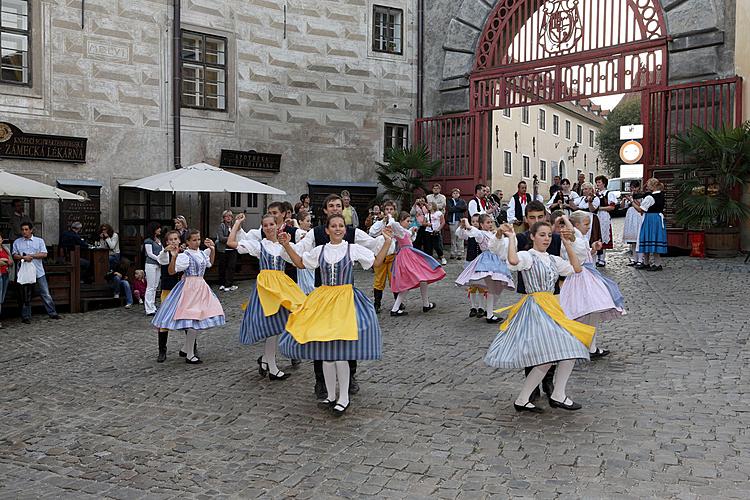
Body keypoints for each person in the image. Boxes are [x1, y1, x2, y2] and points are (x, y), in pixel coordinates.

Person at [278, 214, 391, 417]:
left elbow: (375, 263)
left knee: (340, 355)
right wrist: (287, 246)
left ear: (344, 230)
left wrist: (387, 242)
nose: (338, 229)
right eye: (333, 226)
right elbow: (300, 263)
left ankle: (344, 397)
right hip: (323, 300)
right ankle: (331, 395)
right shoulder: (320, 250)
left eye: (341, 226)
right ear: (327, 230)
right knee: (327, 355)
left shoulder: (351, 248)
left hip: (345, 301)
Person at [485, 221, 594, 413]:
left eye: (549, 235)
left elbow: (576, 268)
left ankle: (542, 396)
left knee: (566, 349)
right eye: (542, 235)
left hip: (552, 306)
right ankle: (543, 396)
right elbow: (512, 260)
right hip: (535, 308)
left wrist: (567, 243)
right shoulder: (528, 256)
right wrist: (511, 238)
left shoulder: (552, 259)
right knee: (553, 354)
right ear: (533, 237)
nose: (546, 238)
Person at [294, 194, 387, 400]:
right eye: (331, 206)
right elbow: (300, 256)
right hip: (322, 291)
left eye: (338, 205)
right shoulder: (315, 234)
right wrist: (286, 245)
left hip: (345, 293)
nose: (335, 208)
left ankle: (350, 378)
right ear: (325, 211)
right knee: (321, 337)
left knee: (347, 336)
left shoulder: (353, 235)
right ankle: (321, 382)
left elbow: (373, 247)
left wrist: (387, 239)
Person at [229, 213, 307, 381]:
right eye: (266, 225)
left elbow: (298, 259)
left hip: (282, 287)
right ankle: (271, 367)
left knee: (281, 325)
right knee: (272, 327)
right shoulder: (260, 245)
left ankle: (266, 360)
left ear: (277, 226)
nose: (269, 227)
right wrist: (237, 223)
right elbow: (231, 243)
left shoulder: (283, 245)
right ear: (262, 228)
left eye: (272, 224)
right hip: (266, 290)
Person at [152, 229, 225, 364]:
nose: (197, 242)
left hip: (201, 287)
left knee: (200, 318)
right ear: (187, 241)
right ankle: (186, 353)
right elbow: (171, 270)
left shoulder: (201, 253)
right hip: (189, 288)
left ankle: (187, 348)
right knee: (192, 318)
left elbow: (209, 263)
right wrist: (173, 257)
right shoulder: (185, 255)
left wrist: (212, 249)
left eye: (198, 239)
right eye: (194, 240)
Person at [559, 212, 626, 358]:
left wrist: (593, 249)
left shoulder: (577, 237)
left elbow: (583, 253)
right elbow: (577, 255)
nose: (589, 227)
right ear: (576, 225)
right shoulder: (573, 237)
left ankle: (589, 346)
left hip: (586, 276)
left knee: (591, 312)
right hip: (581, 278)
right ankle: (585, 346)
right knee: (586, 312)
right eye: (586, 224)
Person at [455, 215, 514, 323]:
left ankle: (489, 311)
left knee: (498, 287)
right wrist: (466, 224)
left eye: (491, 222)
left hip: (497, 262)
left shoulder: (493, 233)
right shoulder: (481, 234)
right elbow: (469, 231)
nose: (490, 224)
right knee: (492, 287)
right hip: (487, 261)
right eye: (487, 222)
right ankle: (489, 314)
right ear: (481, 224)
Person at [388, 212, 446, 316]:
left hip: (410, 256)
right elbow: (395, 226)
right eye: (407, 221)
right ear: (401, 221)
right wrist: (390, 216)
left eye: (410, 221)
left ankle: (426, 304)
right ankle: (395, 308)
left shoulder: (403, 231)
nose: (409, 223)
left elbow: (409, 235)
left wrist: (412, 231)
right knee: (408, 282)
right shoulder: (399, 230)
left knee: (423, 277)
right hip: (407, 257)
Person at [12, 222, 61, 324]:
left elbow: (44, 254)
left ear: (31, 230)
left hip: (38, 271)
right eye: (22, 230)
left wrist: (32, 256)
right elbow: (14, 255)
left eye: (26, 229)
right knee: (26, 295)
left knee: (45, 293)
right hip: (24, 272)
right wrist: (23, 257)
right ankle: (26, 316)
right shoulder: (17, 242)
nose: (24, 232)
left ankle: (52, 313)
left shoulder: (39, 241)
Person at [154, 230, 192, 363]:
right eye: (170, 240)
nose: (173, 242)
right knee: (164, 320)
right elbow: (161, 260)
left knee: (187, 319)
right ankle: (162, 351)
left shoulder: (185, 254)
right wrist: (166, 251)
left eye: (176, 239)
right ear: (166, 242)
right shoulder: (164, 255)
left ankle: (191, 347)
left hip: (182, 290)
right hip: (168, 291)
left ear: (180, 240)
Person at [368, 200, 398, 313]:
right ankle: (377, 303)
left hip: (391, 256)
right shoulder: (379, 222)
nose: (389, 211)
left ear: (394, 211)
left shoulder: (395, 223)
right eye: (387, 209)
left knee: (393, 279)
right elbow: (372, 232)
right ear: (383, 211)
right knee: (379, 280)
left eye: (391, 209)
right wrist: (382, 221)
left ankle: (398, 302)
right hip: (380, 257)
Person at [456, 214, 486, 318]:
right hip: (471, 261)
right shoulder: (469, 233)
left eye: (477, 222)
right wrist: (461, 226)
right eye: (472, 221)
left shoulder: (482, 234)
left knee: (482, 286)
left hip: (481, 263)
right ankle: (473, 307)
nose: (474, 224)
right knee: (472, 286)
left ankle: (482, 307)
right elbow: (459, 235)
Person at [635, 177, 668, 271]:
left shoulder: (650, 197)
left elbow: (640, 209)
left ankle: (654, 264)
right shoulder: (661, 195)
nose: (647, 186)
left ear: (652, 186)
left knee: (649, 239)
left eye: (648, 184)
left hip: (650, 219)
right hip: (657, 218)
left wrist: (632, 201)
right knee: (653, 239)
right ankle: (651, 263)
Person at [594, 175, 617, 267]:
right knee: (596, 235)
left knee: (603, 236)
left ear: (604, 183)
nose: (597, 184)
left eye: (599, 182)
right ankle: (596, 258)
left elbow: (612, 207)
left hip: (604, 216)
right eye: (597, 182)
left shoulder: (609, 194)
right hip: (596, 216)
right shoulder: (595, 194)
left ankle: (602, 259)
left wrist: (600, 208)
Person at [621, 180, 644, 266]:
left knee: (638, 238)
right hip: (630, 216)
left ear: (638, 187)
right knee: (633, 240)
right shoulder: (630, 195)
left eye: (635, 187)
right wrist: (624, 199)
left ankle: (641, 259)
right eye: (632, 187)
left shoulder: (641, 196)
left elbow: (641, 206)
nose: (633, 189)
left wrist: (632, 200)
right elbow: (622, 206)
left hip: (638, 216)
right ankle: (635, 259)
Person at [143, 222, 163, 315]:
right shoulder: (148, 241)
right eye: (158, 228)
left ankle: (153, 306)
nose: (160, 230)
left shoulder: (158, 240)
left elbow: (163, 251)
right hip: (150, 265)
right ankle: (148, 308)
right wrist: (159, 259)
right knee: (150, 287)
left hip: (158, 265)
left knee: (155, 286)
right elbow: (149, 254)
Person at [215, 210, 238, 292]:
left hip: (233, 250)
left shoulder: (234, 226)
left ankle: (229, 284)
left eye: (230, 216)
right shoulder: (221, 226)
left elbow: (238, 236)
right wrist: (231, 239)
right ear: (224, 218)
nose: (229, 217)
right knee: (222, 267)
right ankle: (222, 284)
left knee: (231, 267)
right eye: (227, 216)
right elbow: (221, 238)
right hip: (223, 250)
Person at [295, 211, 315, 294]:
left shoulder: (310, 232)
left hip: (310, 262)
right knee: (306, 286)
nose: (309, 223)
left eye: (310, 221)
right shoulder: (299, 232)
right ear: (300, 221)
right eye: (307, 221)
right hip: (302, 262)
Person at [446, 188, 467, 260]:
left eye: (457, 193)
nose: (455, 194)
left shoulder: (462, 201)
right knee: (453, 237)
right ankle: (453, 252)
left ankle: (460, 253)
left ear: (459, 194)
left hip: (460, 220)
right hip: (452, 220)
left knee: (460, 236)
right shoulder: (449, 201)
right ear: (452, 194)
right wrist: (458, 207)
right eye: (454, 193)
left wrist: (455, 208)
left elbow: (464, 208)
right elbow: (450, 209)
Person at [0, 231, 11, 329]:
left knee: (2, 298)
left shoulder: (5, 249)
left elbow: (10, 261)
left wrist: (6, 261)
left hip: (5, 274)